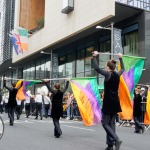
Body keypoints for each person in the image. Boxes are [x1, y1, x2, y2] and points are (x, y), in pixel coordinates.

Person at [92, 51, 124, 150]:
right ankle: (110, 145)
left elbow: (96, 68)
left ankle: (116, 139)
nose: (105, 67)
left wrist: (94, 56)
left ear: (108, 67)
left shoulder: (108, 74)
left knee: (105, 123)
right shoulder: (117, 74)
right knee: (111, 123)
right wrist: (120, 58)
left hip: (108, 102)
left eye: (106, 66)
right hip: (115, 102)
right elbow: (122, 68)